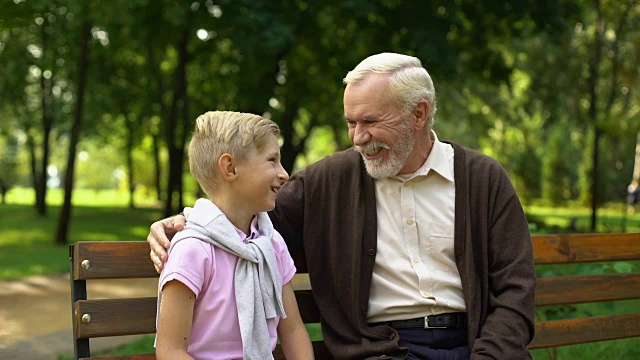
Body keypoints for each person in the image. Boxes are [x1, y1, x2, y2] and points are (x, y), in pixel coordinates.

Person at [149, 53, 536, 359]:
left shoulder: (482, 179)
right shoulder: (329, 181)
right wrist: (185, 221)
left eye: (370, 121)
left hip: (477, 344)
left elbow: (515, 290)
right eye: (351, 122)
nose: (358, 137)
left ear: (418, 114)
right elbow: (243, 211)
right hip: (385, 349)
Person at [154, 111, 314, 359]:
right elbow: (170, 351)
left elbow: (292, 330)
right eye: (272, 160)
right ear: (230, 167)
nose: (283, 173)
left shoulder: (271, 243)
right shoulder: (193, 250)